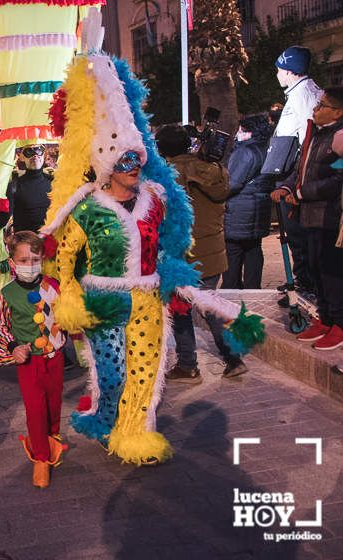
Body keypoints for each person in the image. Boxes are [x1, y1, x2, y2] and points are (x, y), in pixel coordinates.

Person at [41, 32, 264, 466]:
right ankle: (108, 418)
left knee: (145, 374)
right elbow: (64, 259)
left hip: (146, 299)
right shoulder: (85, 209)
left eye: (137, 158)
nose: (134, 167)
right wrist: (68, 300)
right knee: (113, 376)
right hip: (103, 302)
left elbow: (168, 245)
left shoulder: (157, 198)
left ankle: (135, 435)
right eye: (124, 161)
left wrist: (175, 276)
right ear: (106, 165)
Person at [156, 125, 247, 381]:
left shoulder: (168, 175)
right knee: (210, 306)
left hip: (185, 254)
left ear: (162, 149)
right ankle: (233, 357)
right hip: (214, 250)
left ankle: (187, 364)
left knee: (182, 308)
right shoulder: (213, 169)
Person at [0, 231, 67, 488]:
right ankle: (41, 458)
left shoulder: (54, 286)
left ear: (42, 258)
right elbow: (1, 326)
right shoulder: (7, 293)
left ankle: (53, 439)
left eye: (34, 259)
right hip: (29, 363)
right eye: (23, 260)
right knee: (35, 410)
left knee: (54, 405)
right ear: (12, 262)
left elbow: (68, 314)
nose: (29, 265)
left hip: (55, 357)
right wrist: (13, 347)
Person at [271, 87, 343, 350]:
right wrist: (288, 188)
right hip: (308, 216)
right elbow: (301, 168)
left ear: (338, 111)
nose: (316, 109)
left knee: (332, 273)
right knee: (315, 270)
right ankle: (324, 319)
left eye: (322, 105)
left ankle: (339, 324)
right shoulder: (315, 134)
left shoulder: (339, 136)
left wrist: (301, 193)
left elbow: (337, 181)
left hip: (331, 217)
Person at [272, 46, 324, 298]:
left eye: (280, 70)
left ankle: (306, 284)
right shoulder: (304, 91)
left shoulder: (302, 95)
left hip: (296, 171)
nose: (277, 74)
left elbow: (307, 138)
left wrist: (296, 179)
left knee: (297, 232)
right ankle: (304, 279)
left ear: (291, 71)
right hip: (296, 170)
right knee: (298, 233)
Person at [222, 115, 275, 289]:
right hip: (258, 208)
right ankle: (253, 290)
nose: (237, 133)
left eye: (241, 130)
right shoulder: (266, 148)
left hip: (240, 210)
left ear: (250, 132)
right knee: (253, 250)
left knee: (233, 252)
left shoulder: (245, 151)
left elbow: (233, 183)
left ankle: (232, 292)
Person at [0, 145, 53, 235]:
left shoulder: (54, 181)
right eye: (29, 152)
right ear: (22, 157)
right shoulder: (14, 184)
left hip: (51, 243)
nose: (35, 155)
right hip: (24, 245)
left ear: (44, 154)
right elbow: (2, 221)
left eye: (39, 150)